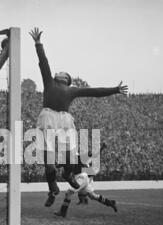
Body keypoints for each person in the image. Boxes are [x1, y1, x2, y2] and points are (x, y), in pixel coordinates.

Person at [29, 27, 128, 207]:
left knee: (69, 159)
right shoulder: (49, 82)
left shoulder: (72, 90)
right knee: (49, 161)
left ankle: (67, 175)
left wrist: (115, 89)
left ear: (66, 79)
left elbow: (95, 91)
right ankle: (53, 189)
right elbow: (44, 63)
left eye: (62, 73)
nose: (58, 72)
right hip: (48, 117)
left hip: (65, 119)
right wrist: (38, 43)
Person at [54, 152, 117, 218]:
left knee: (68, 193)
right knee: (93, 196)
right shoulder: (76, 157)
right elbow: (58, 165)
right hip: (83, 177)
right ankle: (110, 203)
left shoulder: (75, 157)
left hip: (81, 177)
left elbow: (58, 165)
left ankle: (62, 212)